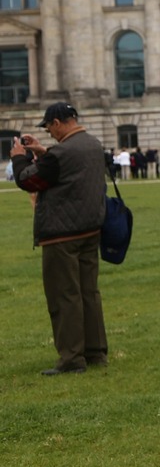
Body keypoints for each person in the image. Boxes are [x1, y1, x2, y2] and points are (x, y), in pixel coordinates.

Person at [10, 102, 109, 375]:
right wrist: (43, 151)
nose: (49, 133)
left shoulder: (61, 154)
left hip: (61, 235)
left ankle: (71, 359)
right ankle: (96, 352)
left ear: (56, 122)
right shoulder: (92, 143)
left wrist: (19, 157)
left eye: (49, 128)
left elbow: (28, 181)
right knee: (89, 293)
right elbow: (67, 168)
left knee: (64, 297)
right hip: (90, 229)